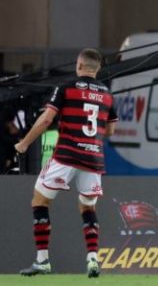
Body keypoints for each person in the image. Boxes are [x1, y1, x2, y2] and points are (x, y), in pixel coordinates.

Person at [14, 49, 117, 277]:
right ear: (97, 68)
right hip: (93, 159)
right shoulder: (108, 95)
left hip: (66, 156)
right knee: (88, 207)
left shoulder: (66, 87)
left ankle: (42, 260)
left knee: (40, 201)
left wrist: (24, 143)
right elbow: (110, 130)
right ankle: (92, 259)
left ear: (79, 66)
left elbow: (47, 118)